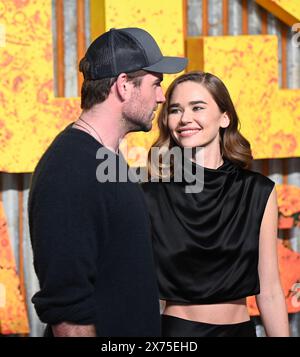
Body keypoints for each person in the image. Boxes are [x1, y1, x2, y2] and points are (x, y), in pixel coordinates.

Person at [28, 27, 187, 337]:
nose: (161, 97)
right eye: (155, 84)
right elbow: (68, 314)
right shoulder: (70, 170)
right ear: (124, 85)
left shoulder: (104, 160)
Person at [142, 71, 290, 337]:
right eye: (175, 110)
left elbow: (269, 292)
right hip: (179, 334)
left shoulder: (257, 191)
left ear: (225, 117)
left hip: (241, 332)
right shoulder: (150, 195)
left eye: (197, 107)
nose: (185, 118)